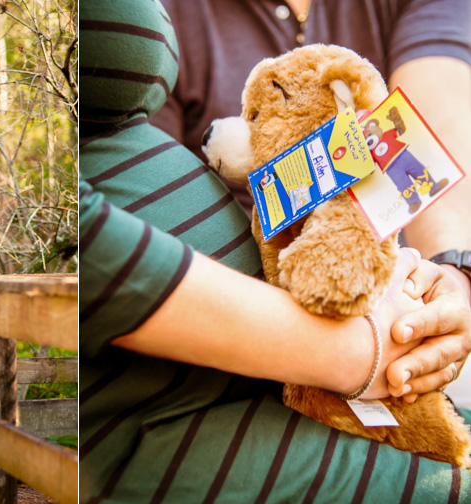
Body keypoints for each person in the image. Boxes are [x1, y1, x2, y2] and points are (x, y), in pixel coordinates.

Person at [82, 1, 471, 502]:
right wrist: (354, 352)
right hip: (216, 382)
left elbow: (438, 108)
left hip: (392, 308)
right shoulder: (179, 12)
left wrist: (455, 275)